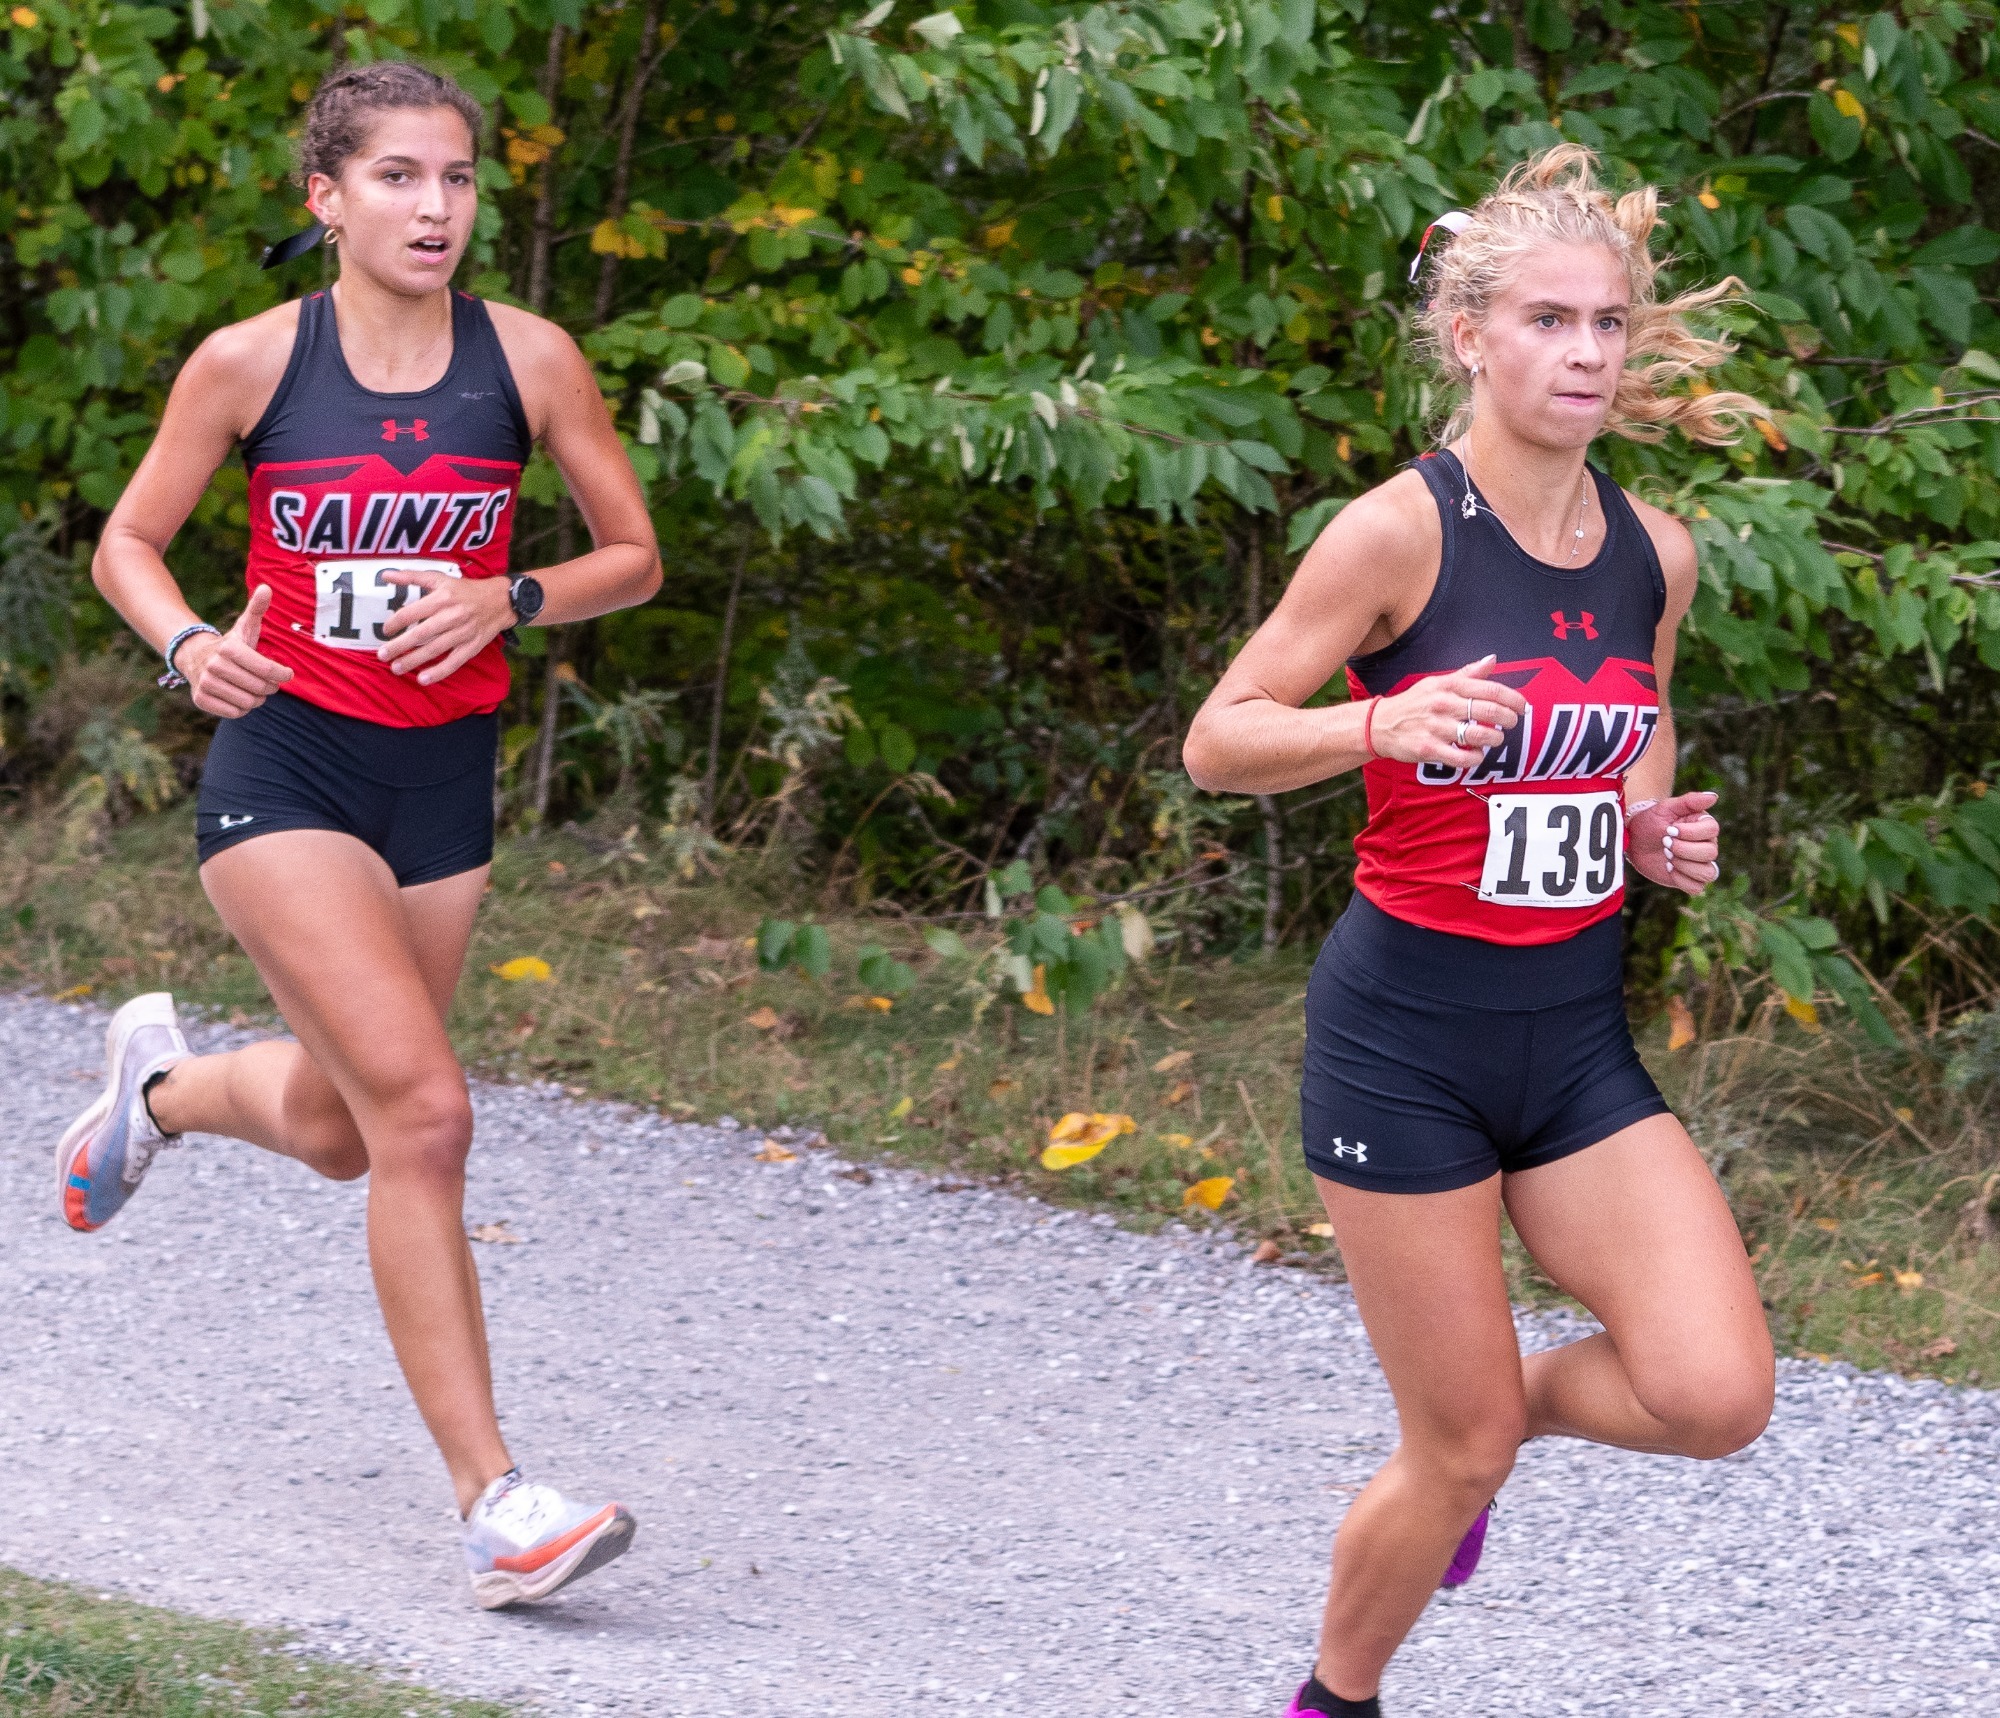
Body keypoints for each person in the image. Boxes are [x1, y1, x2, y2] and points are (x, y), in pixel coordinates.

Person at [1183, 146, 1777, 1716]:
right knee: (1451, 1453)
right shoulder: (1396, 534)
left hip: (1574, 1044)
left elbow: (1632, 729)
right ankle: (1337, 1695)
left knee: (1716, 1394)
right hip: (1407, 1049)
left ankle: (1486, 1424)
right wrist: (1374, 733)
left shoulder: (1659, 549)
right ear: (1472, 338)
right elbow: (1220, 735)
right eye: (1549, 320)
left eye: (1608, 324)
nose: (1587, 353)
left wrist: (1652, 832)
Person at [64, 60, 661, 1609]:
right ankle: (497, 1504)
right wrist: (191, 645)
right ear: (327, 199)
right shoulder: (253, 363)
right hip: (288, 771)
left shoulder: (528, 362)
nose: (436, 208)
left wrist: (509, 594)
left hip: (442, 784)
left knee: (345, 1130)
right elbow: (128, 539)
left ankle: (165, 1091)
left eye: (458, 179)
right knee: (428, 1115)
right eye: (399, 177)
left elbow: (634, 556)